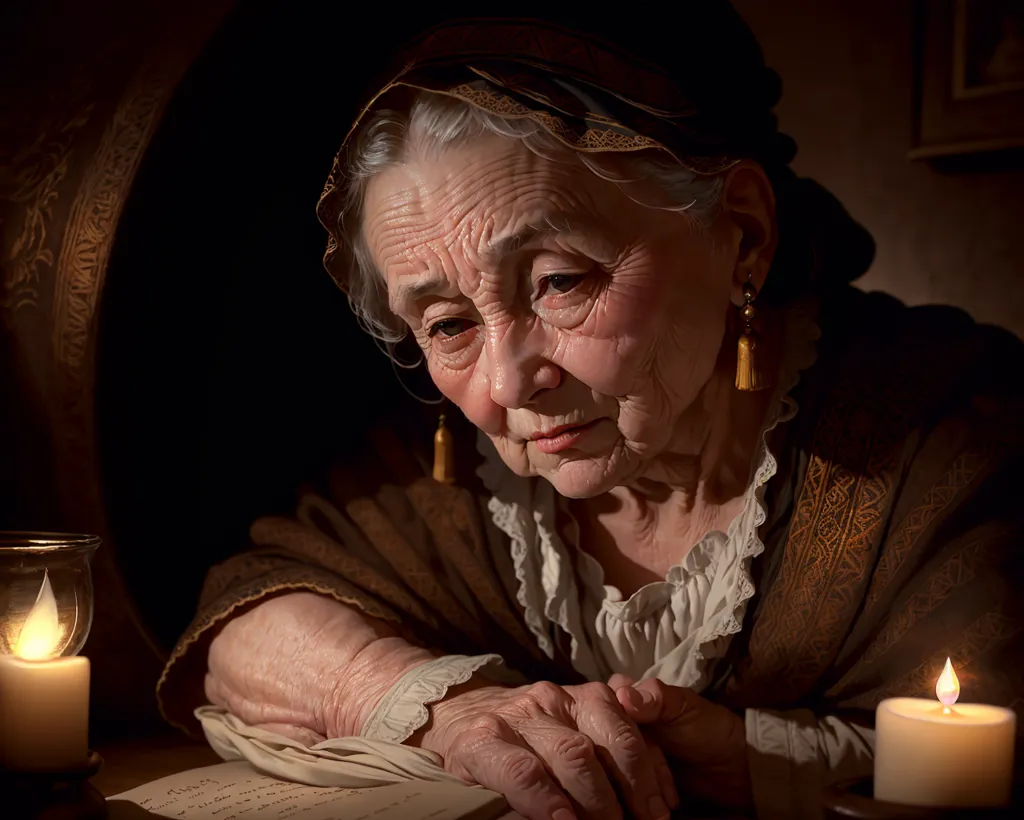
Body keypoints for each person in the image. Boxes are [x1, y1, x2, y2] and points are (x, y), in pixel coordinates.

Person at [157, 6, 1024, 820]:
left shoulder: (953, 435)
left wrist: (763, 762)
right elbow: (242, 620)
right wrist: (443, 709)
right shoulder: (453, 477)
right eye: (449, 324)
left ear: (743, 236)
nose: (504, 383)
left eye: (560, 282)